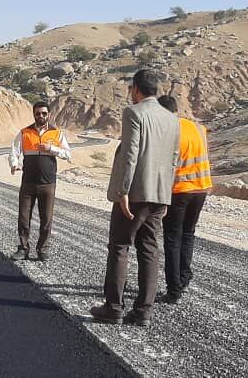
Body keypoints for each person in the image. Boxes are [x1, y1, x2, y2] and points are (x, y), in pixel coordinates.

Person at [89, 70, 180, 326]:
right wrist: (166, 192)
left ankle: (114, 307)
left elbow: (131, 154)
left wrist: (123, 192)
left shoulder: (134, 113)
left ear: (136, 89)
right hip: (160, 195)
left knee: (119, 247)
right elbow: (174, 159)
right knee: (149, 249)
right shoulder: (172, 119)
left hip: (136, 193)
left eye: (131, 90)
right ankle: (143, 312)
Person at [156, 95, 212, 304]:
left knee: (172, 238)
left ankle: (174, 289)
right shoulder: (197, 127)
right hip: (202, 188)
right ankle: (184, 276)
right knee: (188, 234)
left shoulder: (168, 131)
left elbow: (165, 166)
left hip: (180, 190)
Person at [8, 101, 72, 261]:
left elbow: (68, 154)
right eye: (38, 113)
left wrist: (52, 149)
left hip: (48, 184)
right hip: (28, 183)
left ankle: (43, 249)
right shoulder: (24, 133)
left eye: (44, 113)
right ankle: (23, 249)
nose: (41, 116)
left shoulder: (57, 133)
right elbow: (14, 151)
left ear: (49, 114)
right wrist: (14, 164)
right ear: (34, 114)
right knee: (23, 217)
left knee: (46, 219)